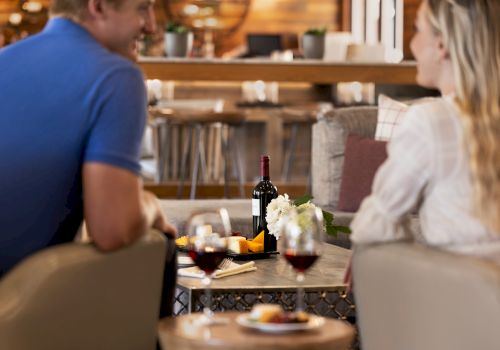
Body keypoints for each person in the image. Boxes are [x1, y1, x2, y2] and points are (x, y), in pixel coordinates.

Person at [0, 0, 177, 313]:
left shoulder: (5, 60)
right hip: (16, 313)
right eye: (142, 8)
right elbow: (113, 230)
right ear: (98, 6)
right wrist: (150, 207)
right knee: (161, 246)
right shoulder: (116, 76)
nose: (150, 26)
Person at [344, 0, 500, 286]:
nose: (412, 44)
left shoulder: (431, 121)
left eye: (417, 30)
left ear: (442, 46)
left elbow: (378, 223)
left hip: (459, 309)